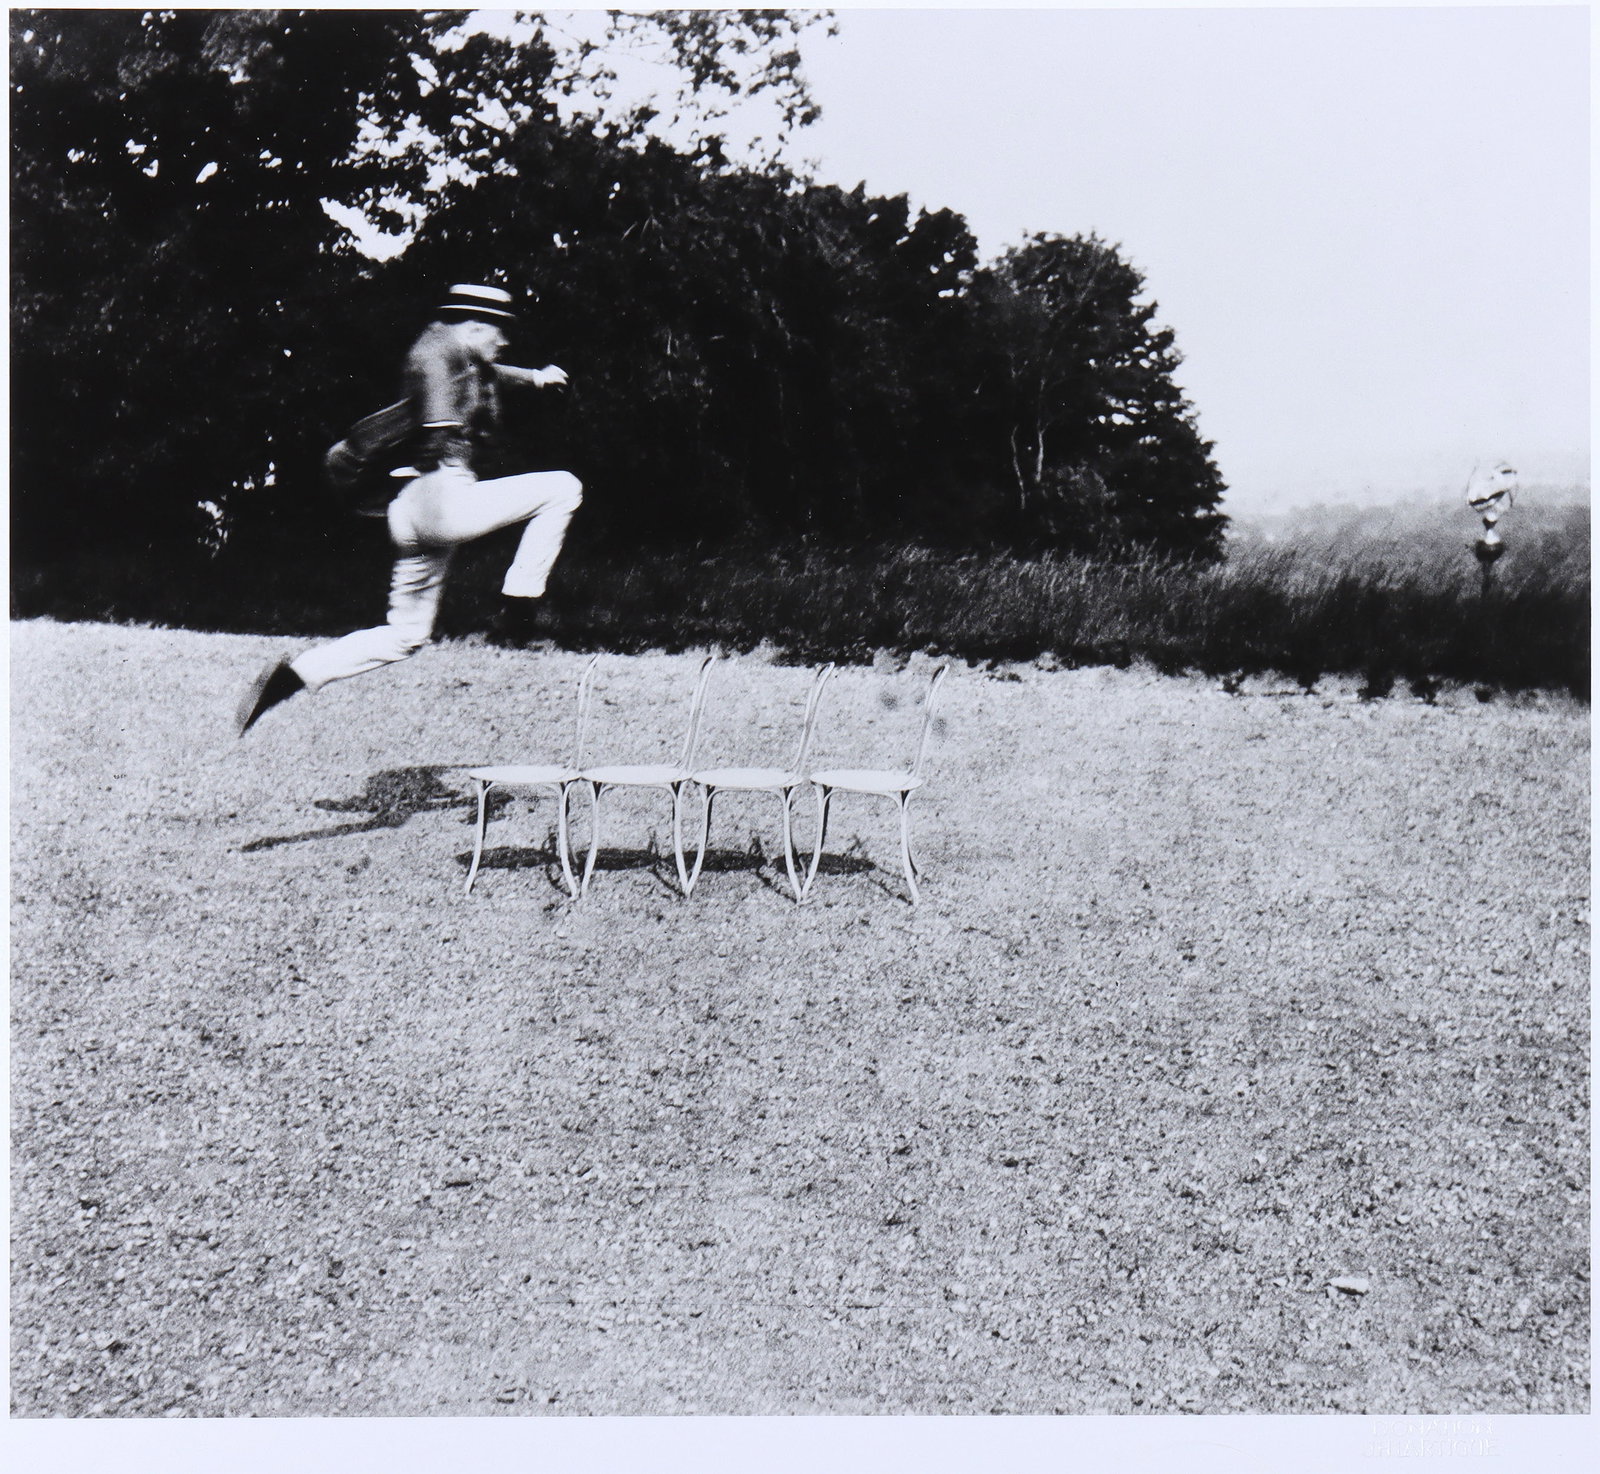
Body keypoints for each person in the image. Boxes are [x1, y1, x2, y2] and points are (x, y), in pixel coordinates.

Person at [238, 283, 581, 735]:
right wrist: (433, 445)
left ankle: (293, 676)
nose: (504, 341)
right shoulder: (436, 353)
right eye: (498, 331)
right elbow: (438, 418)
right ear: (474, 326)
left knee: (406, 634)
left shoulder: (451, 349)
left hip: (413, 510)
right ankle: (519, 609)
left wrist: (535, 377)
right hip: (441, 497)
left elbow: (490, 372)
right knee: (563, 488)